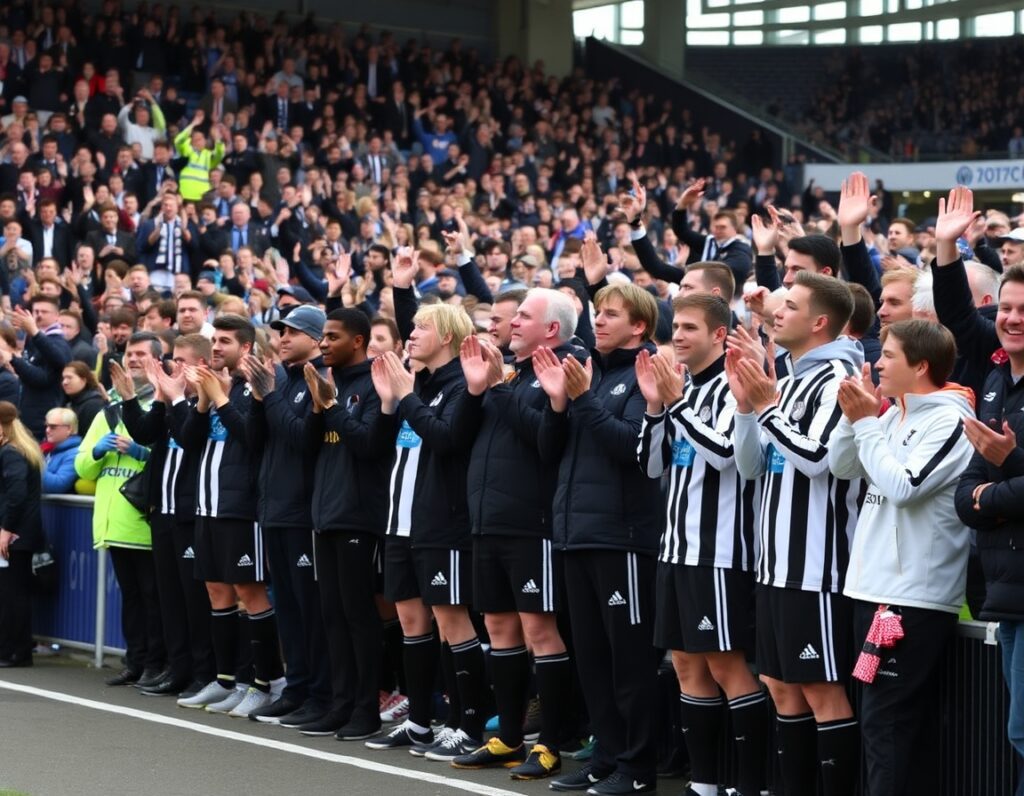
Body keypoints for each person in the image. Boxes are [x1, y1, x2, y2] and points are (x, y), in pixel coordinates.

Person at [729, 271, 862, 796]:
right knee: (781, 687)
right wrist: (745, 409)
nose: (776, 314)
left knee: (822, 692)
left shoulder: (837, 378)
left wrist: (765, 406)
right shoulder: (787, 377)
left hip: (817, 564)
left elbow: (821, 460)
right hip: (775, 562)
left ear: (820, 321)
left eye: (790, 306)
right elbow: (750, 466)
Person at [828, 319, 973, 796]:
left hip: (910, 599)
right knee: (888, 723)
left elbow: (903, 487)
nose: (877, 362)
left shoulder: (950, 419)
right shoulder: (891, 414)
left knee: (887, 725)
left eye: (888, 355)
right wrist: (857, 420)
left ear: (922, 366)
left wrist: (867, 422)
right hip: (870, 590)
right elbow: (842, 466)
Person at [535, 282, 663, 795]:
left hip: (623, 539)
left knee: (629, 662)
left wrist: (584, 400)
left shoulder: (644, 372)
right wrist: (559, 403)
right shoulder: (590, 372)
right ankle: (605, 756)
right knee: (591, 660)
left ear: (639, 326)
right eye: (597, 314)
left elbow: (633, 450)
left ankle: (638, 769)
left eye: (612, 315)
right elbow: (549, 450)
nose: (600, 322)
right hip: (575, 535)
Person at [449, 288, 581, 779]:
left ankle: (549, 742)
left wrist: (499, 388)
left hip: (532, 525)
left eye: (524, 315)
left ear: (551, 329)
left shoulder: (560, 368)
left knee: (539, 632)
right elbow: (458, 438)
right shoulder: (508, 373)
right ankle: (507, 734)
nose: (511, 322)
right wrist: (478, 387)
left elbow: (546, 441)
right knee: (500, 630)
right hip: (486, 522)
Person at [637, 294, 765, 796]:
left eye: (690, 328)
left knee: (725, 664)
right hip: (675, 548)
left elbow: (726, 455)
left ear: (719, 334)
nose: (679, 337)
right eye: (676, 330)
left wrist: (676, 404)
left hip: (720, 552)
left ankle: (750, 784)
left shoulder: (736, 383)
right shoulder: (679, 387)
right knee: (687, 664)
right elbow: (651, 466)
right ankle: (705, 783)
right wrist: (654, 408)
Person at [366, 296, 484, 758]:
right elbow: (379, 448)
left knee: (452, 621)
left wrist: (407, 397)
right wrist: (390, 401)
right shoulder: (418, 383)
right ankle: (418, 720)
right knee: (412, 621)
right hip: (400, 522)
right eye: (410, 327)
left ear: (449, 337)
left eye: (420, 328)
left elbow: (447, 438)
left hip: (441, 523)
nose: (410, 335)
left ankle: (465, 723)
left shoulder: (460, 385)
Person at [176, 315, 284, 717]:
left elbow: (252, 439)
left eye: (224, 341)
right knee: (217, 592)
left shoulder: (254, 388)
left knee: (249, 594)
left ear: (247, 347)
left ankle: (267, 681)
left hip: (241, 508)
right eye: (213, 340)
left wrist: (218, 399)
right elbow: (188, 441)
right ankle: (228, 680)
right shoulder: (226, 387)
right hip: (208, 506)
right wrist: (204, 401)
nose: (216, 347)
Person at [298, 309, 391, 739]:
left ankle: (365, 708)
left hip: (359, 515)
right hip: (325, 514)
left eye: (332, 337)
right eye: (322, 338)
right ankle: (339, 704)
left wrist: (331, 405)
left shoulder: (375, 382)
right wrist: (319, 407)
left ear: (358, 341)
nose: (323, 344)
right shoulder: (324, 382)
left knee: (358, 616)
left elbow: (369, 444)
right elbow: (304, 446)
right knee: (332, 615)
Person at [240, 305, 334, 729]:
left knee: (309, 611)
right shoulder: (283, 380)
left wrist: (271, 393)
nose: (282, 338)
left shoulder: (317, 378)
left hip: (303, 513)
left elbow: (301, 439)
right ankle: (296, 687)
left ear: (317, 339)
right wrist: (261, 396)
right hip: (274, 509)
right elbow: (255, 441)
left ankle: (320, 693)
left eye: (293, 332)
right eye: (280, 331)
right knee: (289, 611)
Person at [74, 334, 166, 688]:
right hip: (114, 525)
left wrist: (141, 454)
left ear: (158, 359)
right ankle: (135, 661)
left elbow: (169, 461)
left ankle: (156, 664)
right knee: (131, 599)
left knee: (153, 600)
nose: (133, 359)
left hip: (144, 522)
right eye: (130, 353)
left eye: (142, 354)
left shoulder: (162, 404)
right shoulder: (108, 410)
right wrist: (98, 451)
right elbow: (82, 467)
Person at [0, 401, 45, 668]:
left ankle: (13, 651)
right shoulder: (19, 450)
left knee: (11, 594)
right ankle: (16, 650)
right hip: (20, 532)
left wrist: (6, 529)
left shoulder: (11, 453)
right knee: (14, 593)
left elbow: (15, 495)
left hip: (14, 534)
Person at [0, 297, 72, 440]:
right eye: (36, 311)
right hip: (28, 417)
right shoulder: (34, 340)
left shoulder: (58, 342)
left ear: (57, 316)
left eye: (44, 311)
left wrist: (14, 360)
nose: (39, 314)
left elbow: (45, 376)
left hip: (42, 421)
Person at [41, 407, 82, 494]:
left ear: (69, 429)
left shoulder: (75, 454)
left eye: (53, 427)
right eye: (46, 426)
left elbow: (58, 485)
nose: (47, 430)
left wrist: (34, 463)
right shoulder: (48, 450)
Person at [62, 361, 106, 435]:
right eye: (63, 378)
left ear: (84, 380)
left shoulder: (93, 405)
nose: (64, 382)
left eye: (69, 378)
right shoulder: (70, 403)